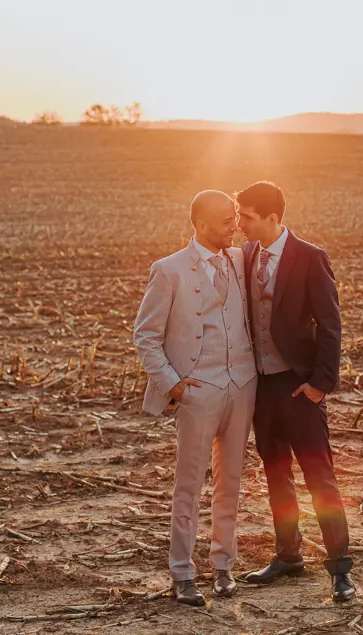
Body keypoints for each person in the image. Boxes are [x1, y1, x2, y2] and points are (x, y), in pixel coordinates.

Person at [133, 190, 258, 606]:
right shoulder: (168, 271)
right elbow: (146, 336)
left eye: (236, 217)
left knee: (231, 481)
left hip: (241, 385)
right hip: (196, 391)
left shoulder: (242, 260)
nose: (234, 225)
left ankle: (223, 565)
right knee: (188, 484)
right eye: (226, 219)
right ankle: (183, 573)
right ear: (201, 225)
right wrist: (173, 383)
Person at [235, 181, 356, 602]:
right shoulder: (246, 255)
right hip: (262, 385)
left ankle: (340, 568)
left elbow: (330, 323)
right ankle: (288, 555)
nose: (239, 224)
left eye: (246, 216)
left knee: (319, 476)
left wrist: (320, 384)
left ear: (272, 217)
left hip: (300, 386)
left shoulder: (310, 257)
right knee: (275, 474)